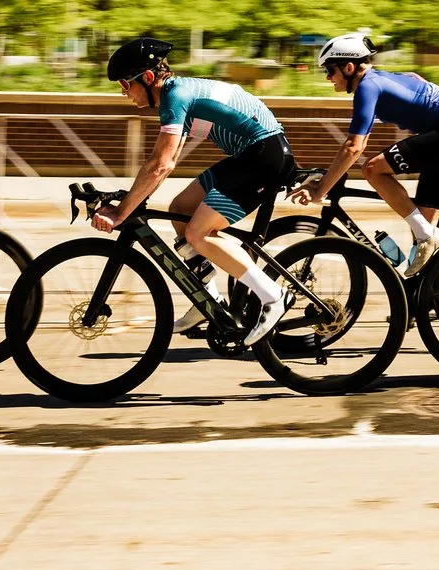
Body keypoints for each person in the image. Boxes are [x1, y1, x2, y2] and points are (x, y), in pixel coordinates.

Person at [97, 36, 296, 343]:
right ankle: (206, 301)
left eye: (126, 85)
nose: (125, 94)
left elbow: (160, 164)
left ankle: (273, 296)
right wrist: (135, 197)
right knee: (180, 209)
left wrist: (123, 212)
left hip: (264, 156)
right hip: (250, 154)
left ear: (148, 78)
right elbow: (169, 161)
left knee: (199, 233)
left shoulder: (176, 96)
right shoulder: (178, 93)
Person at [293, 31, 439, 276]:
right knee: (424, 238)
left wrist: (322, 189)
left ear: (349, 67)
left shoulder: (368, 87)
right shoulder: (378, 79)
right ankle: (423, 301)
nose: (328, 78)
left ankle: (427, 236)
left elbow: (353, 147)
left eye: (329, 70)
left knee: (372, 169)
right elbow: (415, 79)